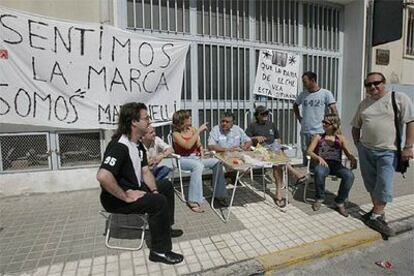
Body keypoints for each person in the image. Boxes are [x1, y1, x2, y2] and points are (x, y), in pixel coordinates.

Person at [96, 102, 184, 265]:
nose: (149, 122)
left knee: (164, 186)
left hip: (132, 189)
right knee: (158, 203)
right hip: (115, 200)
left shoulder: (137, 145)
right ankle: (159, 251)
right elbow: (103, 176)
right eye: (146, 118)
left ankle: (165, 228)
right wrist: (126, 197)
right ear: (134, 122)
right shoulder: (119, 146)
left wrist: (154, 190)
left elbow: (145, 172)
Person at [351, 72, 414, 236]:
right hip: (366, 150)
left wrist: (408, 147)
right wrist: (358, 145)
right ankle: (378, 214)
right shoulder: (364, 104)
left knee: (384, 184)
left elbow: (410, 122)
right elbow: (355, 126)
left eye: (376, 83)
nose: (372, 87)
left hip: (388, 151)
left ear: (383, 83)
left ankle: (376, 216)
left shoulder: (398, 98)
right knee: (371, 184)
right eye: (368, 84)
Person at [246, 106, 308, 208]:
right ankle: (295, 174)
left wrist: (278, 147)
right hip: (260, 149)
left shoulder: (271, 124)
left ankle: (280, 190)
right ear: (257, 115)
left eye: (267, 113)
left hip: (273, 147)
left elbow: (278, 138)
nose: (266, 115)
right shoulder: (253, 126)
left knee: (278, 162)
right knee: (278, 162)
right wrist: (255, 138)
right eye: (263, 114)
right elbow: (246, 139)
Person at [172, 110, 229, 212]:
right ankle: (193, 200)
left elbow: (199, 146)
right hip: (183, 160)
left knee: (216, 162)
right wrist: (198, 131)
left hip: (196, 158)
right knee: (197, 166)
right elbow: (187, 145)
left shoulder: (192, 130)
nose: (190, 118)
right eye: (188, 117)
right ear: (182, 120)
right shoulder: (175, 134)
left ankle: (219, 194)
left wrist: (202, 155)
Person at [307, 114, 357, 217]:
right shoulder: (318, 137)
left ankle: (340, 201)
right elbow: (309, 151)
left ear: (333, 125)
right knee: (319, 172)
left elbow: (347, 153)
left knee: (349, 175)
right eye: (323, 122)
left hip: (336, 165)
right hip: (323, 164)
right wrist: (318, 158)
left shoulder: (340, 138)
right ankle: (320, 198)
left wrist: (353, 159)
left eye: (326, 123)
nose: (323, 124)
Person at [293, 71, 338, 166]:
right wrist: (299, 118)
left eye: (305, 82)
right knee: (306, 152)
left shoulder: (326, 93)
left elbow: (333, 109)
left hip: (319, 131)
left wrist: (334, 126)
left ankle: (317, 174)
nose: (303, 84)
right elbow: (295, 105)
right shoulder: (303, 94)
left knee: (317, 154)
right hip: (305, 130)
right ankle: (306, 173)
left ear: (313, 80)